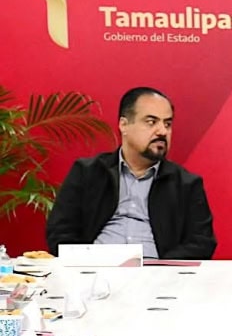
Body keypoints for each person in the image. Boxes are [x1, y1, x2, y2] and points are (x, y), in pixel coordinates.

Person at [46, 86, 216, 259]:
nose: (162, 131)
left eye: (167, 124)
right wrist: (84, 262)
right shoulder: (87, 172)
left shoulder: (186, 184)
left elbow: (201, 243)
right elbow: (60, 232)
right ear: (124, 125)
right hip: (95, 268)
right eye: (151, 122)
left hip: (156, 271)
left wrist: (162, 267)